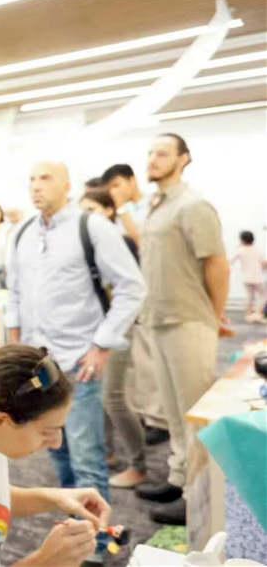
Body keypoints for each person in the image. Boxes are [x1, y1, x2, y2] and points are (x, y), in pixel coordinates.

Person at [7, 161, 146, 563]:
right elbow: (15, 293)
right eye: (31, 177)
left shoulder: (92, 227)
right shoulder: (22, 233)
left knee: (87, 457)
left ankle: (96, 550)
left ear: (67, 185)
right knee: (57, 452)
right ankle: (75, 533)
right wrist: (17, 346)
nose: (35, 185)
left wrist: (101, 345)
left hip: (78, 362)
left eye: (45, 177)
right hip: (40, 368)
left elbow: (132, 286)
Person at [135, 133, 231, 525]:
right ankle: (179, 478)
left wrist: (215, 316)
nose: (153, 159)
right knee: (174, 412)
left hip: (189, 321)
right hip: (158, 320)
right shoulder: (157, 206)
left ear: (184, 159)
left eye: (162, 153)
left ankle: (199, 496)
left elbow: (217, 264)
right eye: (150, 152)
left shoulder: (193, 206)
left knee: (194, 413)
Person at [0, 345, 111, 567]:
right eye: (47, 432)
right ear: (0, 421)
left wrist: (56, 498)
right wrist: (44, 561)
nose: (57, 443)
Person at [79, 189, 148, 489]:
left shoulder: (120, 242)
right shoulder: (88, 241)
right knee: (97, 395)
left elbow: (129, 290)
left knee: (114, 398)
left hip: (116, 330)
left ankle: (139, 464)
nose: (85, 216)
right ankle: (107, 453)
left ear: (109, 210)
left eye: (92, 209)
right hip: (96, 331)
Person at [101, 163, 170, 446]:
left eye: (117, 185)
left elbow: (144, 244)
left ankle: (159, 420)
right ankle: (146, 414)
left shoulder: (148, 207)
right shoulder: (115, 218)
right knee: (136, 364)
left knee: (151, 360)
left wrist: (123, 212)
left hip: (155, 291)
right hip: (131, 295)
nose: (114, 192)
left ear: (131, 181)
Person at [232, 231, 265, 320]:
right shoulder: (257, 250)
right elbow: (264, 263)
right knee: (264, 295)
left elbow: (231, 261)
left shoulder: (240, 250)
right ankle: (257, 313)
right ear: (252, 239)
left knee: (249, 296)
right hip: (257, 277)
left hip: (246, 277)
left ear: (242, 240)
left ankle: (248, 315)